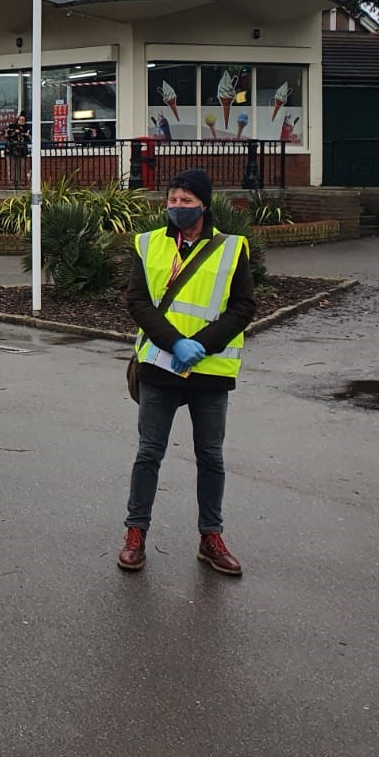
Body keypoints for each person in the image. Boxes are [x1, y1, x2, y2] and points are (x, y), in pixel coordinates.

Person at [118, 167, 255, 577]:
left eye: (186, 200)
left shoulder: (232, 249)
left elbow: (243, 306)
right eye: (172, 199)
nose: (177, 206)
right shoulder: (148, 245)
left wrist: (203, 346)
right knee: (148, 454)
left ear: (204, 204)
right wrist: (175, 343)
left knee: (210, 456)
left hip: (210, 371)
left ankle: (210, 537)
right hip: (160, 366)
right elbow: (138, 301)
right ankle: (135, 534)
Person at [4, 112, 31, 187]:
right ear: (17, 120)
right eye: (20, 119)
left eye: (23, 120)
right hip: (11, 150)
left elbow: (28, 138)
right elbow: (6, 134)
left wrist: (25, 135)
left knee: (21, 167)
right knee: (12, 167)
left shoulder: (27, 128)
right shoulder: (12, 126)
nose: (22, 121)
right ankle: (11, 183)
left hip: (21, 151)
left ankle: (20, 183)